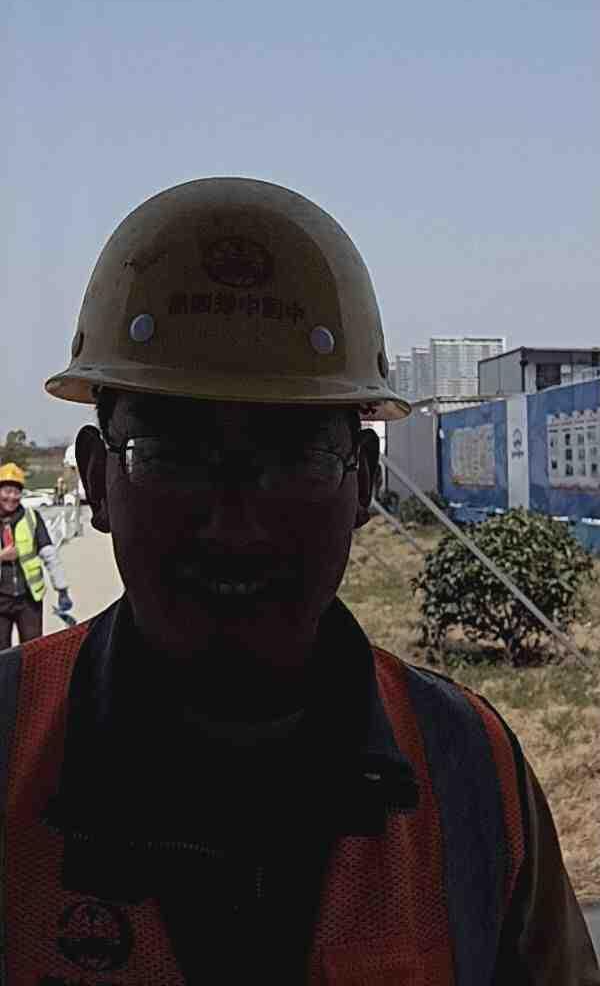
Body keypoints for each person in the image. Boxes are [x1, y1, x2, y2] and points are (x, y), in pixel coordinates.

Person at [0, 179, 597, 985]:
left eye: (293, 455)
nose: (234, 524)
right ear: (98, 480)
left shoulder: (471, 779)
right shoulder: (8, 745)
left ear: (365, 483)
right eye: (174, 454)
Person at [0, 462, 73, 649]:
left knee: (33, 650)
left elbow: (49, 554)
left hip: (29, 600)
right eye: (7, 491)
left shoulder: (31, 518)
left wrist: (62, 589)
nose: (11, 497)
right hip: (1, 600)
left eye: (16, 492)